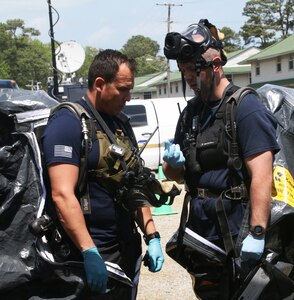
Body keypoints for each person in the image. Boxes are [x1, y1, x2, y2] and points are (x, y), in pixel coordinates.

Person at [162, 19, 279, 299]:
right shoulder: (191, 113)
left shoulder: (245, 108)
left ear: (215, 66)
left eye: (193, 70)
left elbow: (261, 174)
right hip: (201, 232)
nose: (188, 77)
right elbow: (174, 175)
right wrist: (173, 164)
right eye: (183, 71)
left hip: (236, 229)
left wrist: (258, 232)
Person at [42, 49, 164, 299]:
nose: (128, 97)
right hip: (88, 256)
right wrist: (89, 251)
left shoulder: (120, 124)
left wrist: (151, 235)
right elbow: (62, 194)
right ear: (100, 83)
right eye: (122, 89)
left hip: (126, 251)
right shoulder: (68, 122)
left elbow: (134, 185)